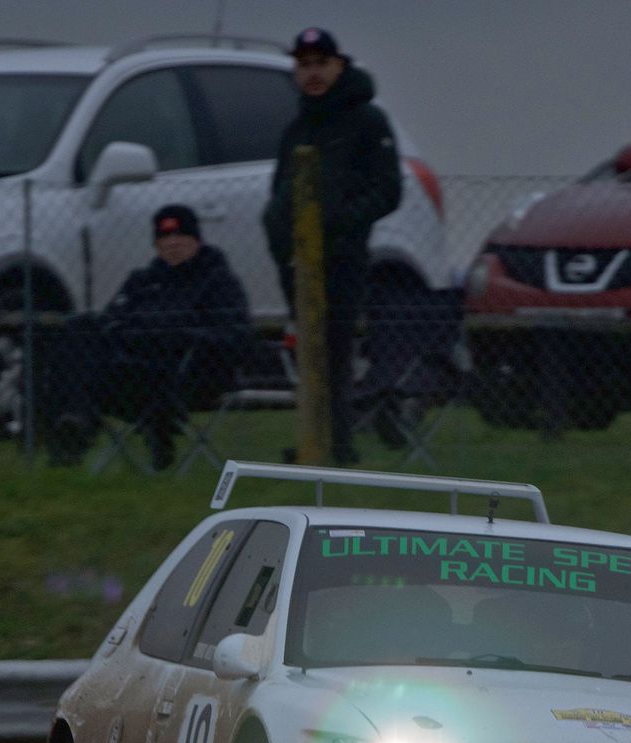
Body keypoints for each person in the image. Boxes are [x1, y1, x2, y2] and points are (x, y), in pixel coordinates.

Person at [262, 27, 403, 466]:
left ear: (340, 66)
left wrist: (335, 226)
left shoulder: (368, 121)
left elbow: (387, 191)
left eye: (321, 63)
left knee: (335, 351)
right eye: (304, 65)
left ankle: (338, 445)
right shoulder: (296, 128)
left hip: (342, 258)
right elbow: (279, 194)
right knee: (308, 352)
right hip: (297, 264)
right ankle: (312, 438)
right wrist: (285, 240)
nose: (313, 73)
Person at [47, 204, 252, 470]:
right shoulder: (142, 280)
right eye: (164, 237)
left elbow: (234, 335)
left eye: (181, 236)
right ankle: (74, 423)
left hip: (186, 377)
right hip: (131, 371)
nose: (172, 243)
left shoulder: (218, 282)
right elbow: (113, 319)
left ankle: (84, 425)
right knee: (80, 327)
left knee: (96, 364)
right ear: (156, 244)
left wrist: (176, 334)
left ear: (197, 240)